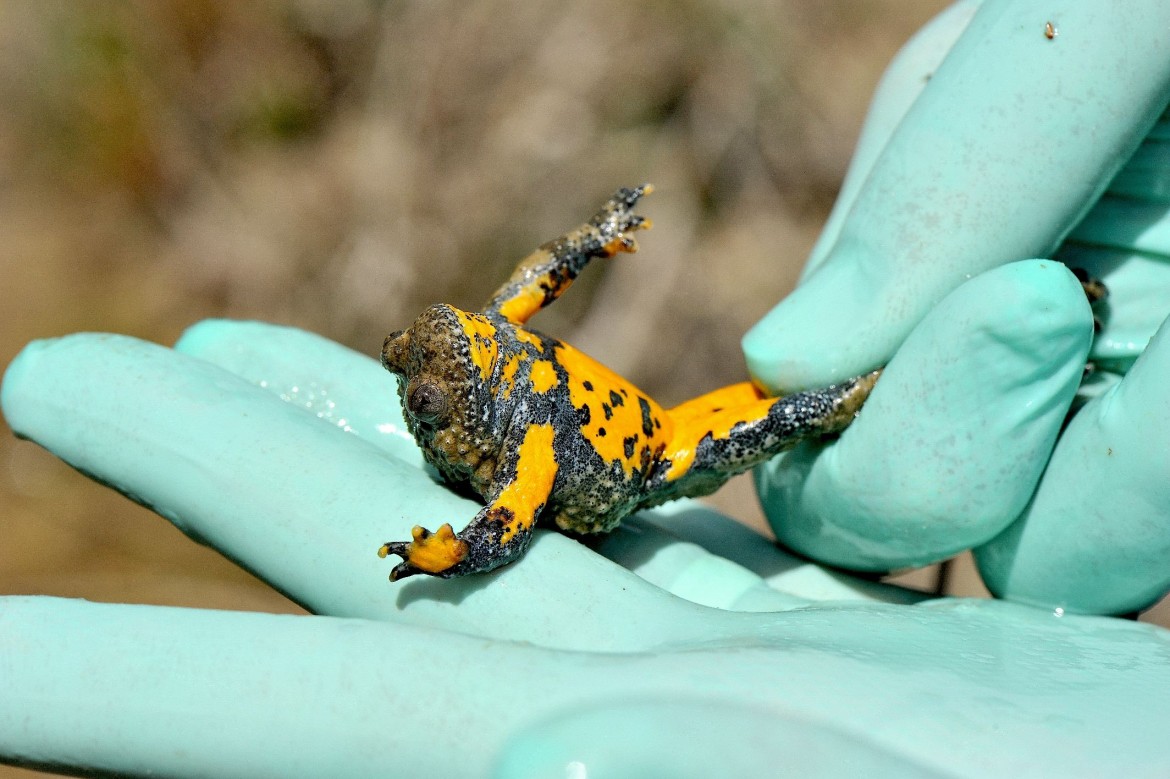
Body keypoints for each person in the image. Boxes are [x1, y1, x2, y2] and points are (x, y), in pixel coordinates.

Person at [4, 1, 1170, 775]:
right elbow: (513, 515)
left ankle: (896, 380)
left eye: (438, 345)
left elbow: (531, 281)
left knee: (796, 405)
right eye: (432, 367)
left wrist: (596, 235)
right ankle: (896, 385)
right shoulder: (519, 448)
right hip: (647, 463)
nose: (438, 346)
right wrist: (440, 553)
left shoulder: (489, 340)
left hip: (660, 427)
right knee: (782, 415)